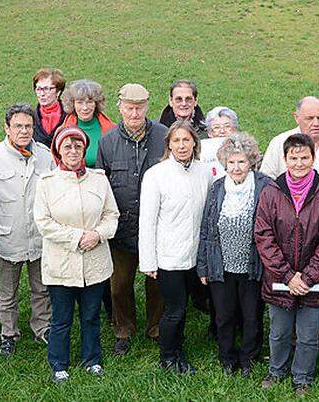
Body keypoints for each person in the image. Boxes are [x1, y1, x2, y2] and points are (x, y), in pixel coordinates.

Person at [255, 133, 319, 397]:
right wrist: (286, 274)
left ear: (313, 158)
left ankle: (302, 377)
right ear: (284, 159)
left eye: (304, 157)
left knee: (308, 334)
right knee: (279, 331)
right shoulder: (271, 192)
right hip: (279, 277)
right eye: (293, 158)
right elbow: (264, 235)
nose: (299, 163)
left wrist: (307, 277)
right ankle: (276, 371)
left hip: (313, 280)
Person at [34, 126, 120, 383]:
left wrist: (98, 234)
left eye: (78, 146)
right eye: (67, 147)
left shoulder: (99, 179)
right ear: (59, 151)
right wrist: (77, 238)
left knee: (91, 315)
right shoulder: (46, 183)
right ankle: (59, 363)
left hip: (95, 261)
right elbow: (43, 222)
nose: (73, 151)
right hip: (62, 264)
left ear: (84, 149)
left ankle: (91, 359)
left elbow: (111, 215)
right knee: (61, 318)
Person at [0, 103, 57, 356]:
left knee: (41, 289)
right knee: (8, 293)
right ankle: (8, 333)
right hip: (7, 238)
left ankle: (42, 328)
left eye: (28, 126)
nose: (24, 131)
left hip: (39, 238)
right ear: (7, 128)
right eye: (18, 126)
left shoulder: (44, 155)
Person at [138, 119, 217, 373]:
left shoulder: (204, 172)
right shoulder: (156, 175)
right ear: (168, 145)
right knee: (175, 309)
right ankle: (168, 357)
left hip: (195, 257)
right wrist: (149, 261)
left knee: (185, 308)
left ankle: (178, 348)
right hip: (169, 256)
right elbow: (147, 222)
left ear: (194, 142)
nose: (181, 145)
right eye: (176, 141)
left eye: (186, 140)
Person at [94, 83, 168, 355]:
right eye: (129, 108)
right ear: (120, 107)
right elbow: (101, 185)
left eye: (139, 107)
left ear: (147, 105)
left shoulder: (164, 136)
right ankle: (123, 330)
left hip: (157, 227)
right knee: (119, 285)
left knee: (157, 283)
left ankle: (156, 327)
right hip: (122, 229)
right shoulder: (108, 141)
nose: (134, 113)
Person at [197, 132, 271, 376]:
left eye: (241, 162)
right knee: (224, 316)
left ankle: (249, 357)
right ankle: (227, 357)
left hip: (252, 265)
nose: (237, 167)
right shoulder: (217, 188)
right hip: (222, 265)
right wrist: (204, 267)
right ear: (224, 164)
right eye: (231, 162)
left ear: (251, 161)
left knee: (251, 316)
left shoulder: (264, 186)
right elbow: (207, 229)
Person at [260, 96, 319, 178]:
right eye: (310, 118)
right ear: (297, 117)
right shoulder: (279, 143)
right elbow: (265, 179)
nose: (316, 123)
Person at [59, 79, 116, 168]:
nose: (85, 108)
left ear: (96, 103)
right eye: (79, 102)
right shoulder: (63, 131)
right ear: (72, 104)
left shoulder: (112, 129)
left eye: (89, 102)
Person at [31, 68, 67, 147]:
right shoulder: (30, 117)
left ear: (58, 92)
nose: (42, 94)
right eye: (38, 89)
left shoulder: (69, 116)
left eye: (47, 89)